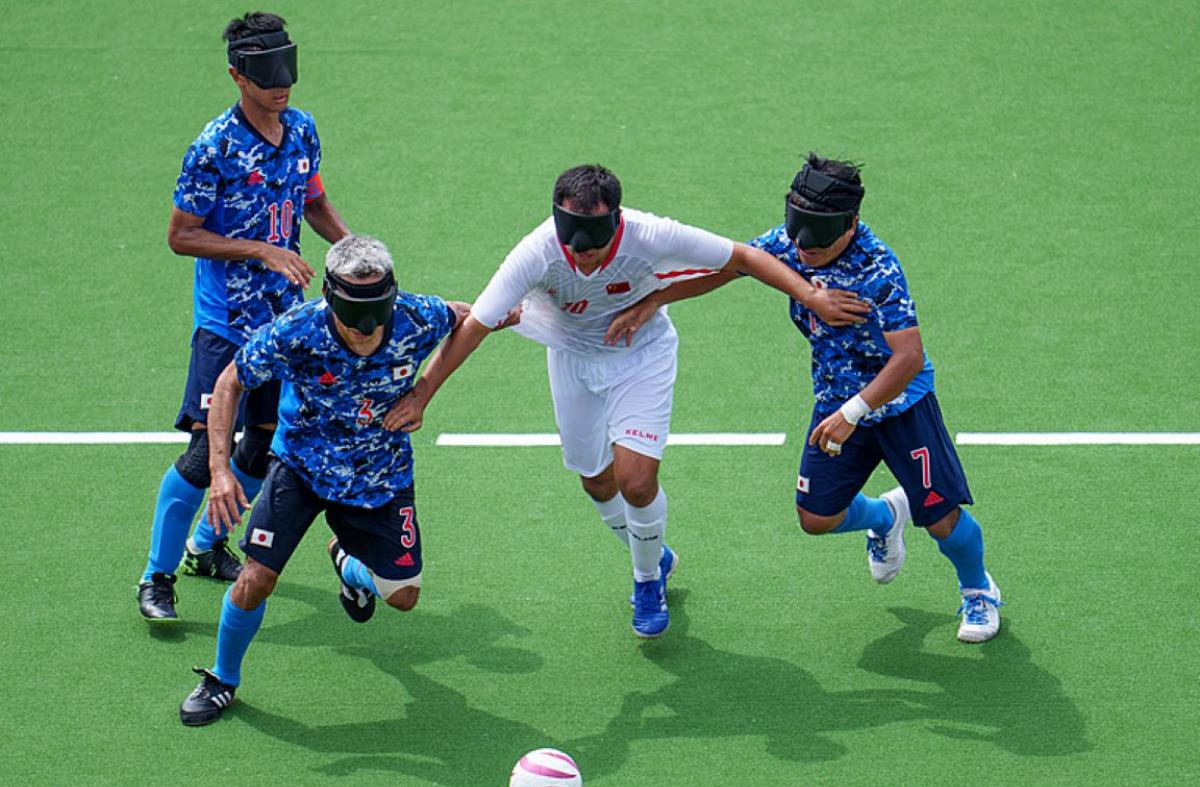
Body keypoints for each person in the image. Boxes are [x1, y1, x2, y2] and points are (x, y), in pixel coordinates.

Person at [384, 164, 869, 639]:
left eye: (595, 248)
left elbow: (742, 258)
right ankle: (655, 554)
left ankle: (646, 582)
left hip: (640, 356)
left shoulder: (650, 234)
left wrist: (812, 297)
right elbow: (476, 325)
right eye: (575, 248)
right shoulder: (535, 252)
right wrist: (424, 393)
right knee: (597, 482)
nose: (585, 259)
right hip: (571, 358)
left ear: (615, 222)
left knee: (636, 483)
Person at [605, 153, 1002, 643]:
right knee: (817, 518)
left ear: (850, 224)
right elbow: (730, 266)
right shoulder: (788, 243)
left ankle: (977, 591)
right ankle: (887, 516)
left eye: (819, 232)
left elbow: (909, 358)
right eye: (798, 227)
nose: (802, 244)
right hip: (835, 398)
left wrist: (855, 413)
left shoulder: (878, 270)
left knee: (941, 519)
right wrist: (653, 300)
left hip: (899, 405)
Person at [179, 234, 470, 726]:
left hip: (381, 478)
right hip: (301, 471)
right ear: (332, 295)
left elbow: (469, 319)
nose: (367, 327)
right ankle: (222, 678)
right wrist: (220, 470)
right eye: (355, 311)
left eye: (378, 309)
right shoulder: (297, 331)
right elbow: (230, 381)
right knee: (256, 579)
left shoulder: (418, 317)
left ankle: (348, 565)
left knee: (403, 596)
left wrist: (423, 392)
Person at [137, 12, 350, 623]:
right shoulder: (213, 147)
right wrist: (260, 248)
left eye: (287, 68)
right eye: (265, 73)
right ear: (237, 75)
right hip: (227, 322)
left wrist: (353, 253)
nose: (282, 84)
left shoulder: (303, 130)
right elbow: (181, 236)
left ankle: (206, 548)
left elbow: (313, 201)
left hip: (286, 324)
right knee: (206, 453)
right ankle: (157, 574)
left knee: (262, 443)